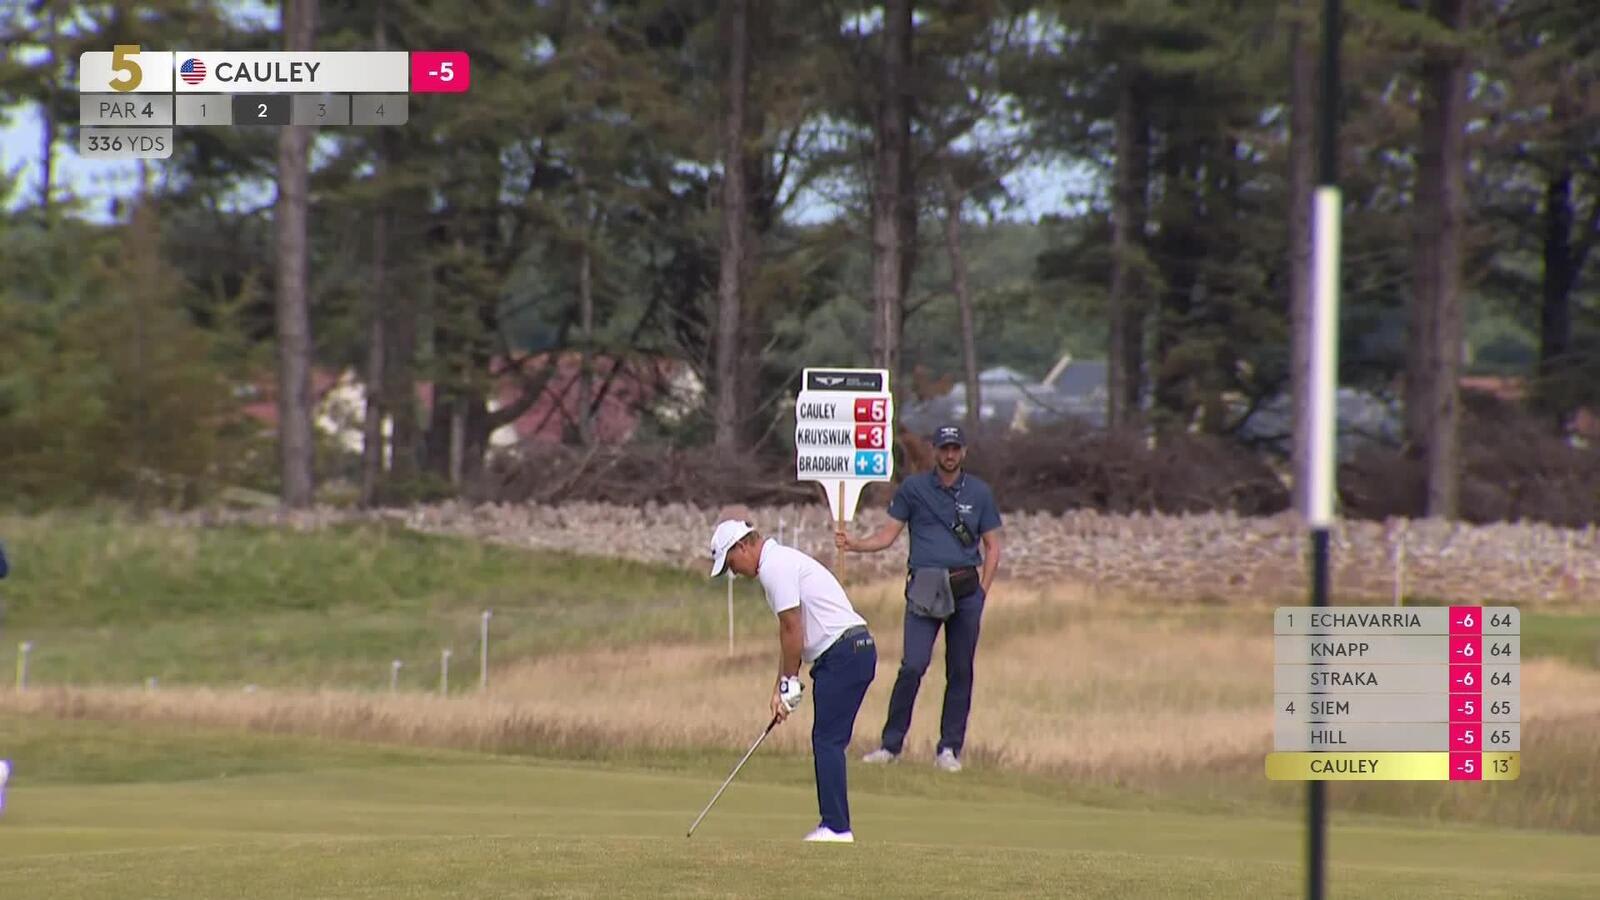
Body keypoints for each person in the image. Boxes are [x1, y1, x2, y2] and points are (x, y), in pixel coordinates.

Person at [836, 424, 1002, 773]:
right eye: (944, 448)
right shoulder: (914, 489)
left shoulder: (979, 493)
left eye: (955, 448)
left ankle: (949, 749)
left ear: (964, 452)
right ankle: (890, 745)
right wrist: (854, 545)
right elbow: (888, 535)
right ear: (934, 450)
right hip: (925, 588)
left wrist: (983, 589)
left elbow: (992, 545)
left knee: (960, 671)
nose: (950, 455)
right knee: (912, 665)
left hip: (965, 589)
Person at [709, 518, 877, 843]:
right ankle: (835, 824)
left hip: (843, 653)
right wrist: (782, 687)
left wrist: (790, 682)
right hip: (850, 652)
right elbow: (789, 636)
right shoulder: (779, 563)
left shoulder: (775, 567)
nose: (734, 571)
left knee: (826, 741)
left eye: (731, 563)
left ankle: (837, 828)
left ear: (743, 546)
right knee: (827, 739)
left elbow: (792, 629)